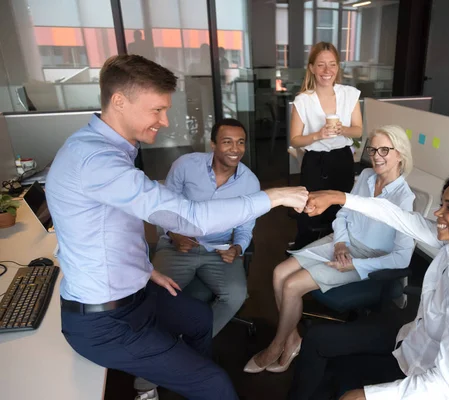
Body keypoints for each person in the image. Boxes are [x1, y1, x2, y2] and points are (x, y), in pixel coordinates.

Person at [45, 54, 308, 400]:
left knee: (199, 318)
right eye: (157, 110)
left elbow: (110, 230)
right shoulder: (97, 162)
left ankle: (186, 378)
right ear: (119, 101)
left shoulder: (107, 149)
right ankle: (195, 379)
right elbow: (190, 218)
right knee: (217, 385)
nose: (165, 121)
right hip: (105, 322)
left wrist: (143, 270)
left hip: (134, 291)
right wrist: (273, 196)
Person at [291, 167, 449, 400]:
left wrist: (367, 395)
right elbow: (394, 214)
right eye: (441, 204)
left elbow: (443, 385)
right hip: (409, 341)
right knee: (317, 341)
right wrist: (337, 197)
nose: (438, 213)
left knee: (336, 376)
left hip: (419, 375)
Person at [244, 126, 416, 374]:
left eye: (385, 150)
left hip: (366, 257)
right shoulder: (367, 176)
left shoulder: (404, 198)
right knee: (279, 272)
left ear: (400, 154)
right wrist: (340, 243)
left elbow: (401, 259)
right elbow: (344, 212)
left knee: (292, 285)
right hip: (341, 241)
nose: (377, 155)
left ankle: (276, 346)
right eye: (373, 149)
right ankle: (292, 341)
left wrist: (355, 264)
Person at [152, 118, 259, 337]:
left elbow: (245, 229)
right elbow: (164, 208)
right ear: (213, 145)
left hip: (218, 251)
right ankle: (158, 350)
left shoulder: (250, 183)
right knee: (155, 295)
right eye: (227, 142)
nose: (235, 149)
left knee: (236, 295)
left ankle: (194, 342)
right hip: (178, 246)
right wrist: (174, 234)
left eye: (240, 142)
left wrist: (237, 249)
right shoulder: (185, 166)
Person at [290, 42, 363, 250]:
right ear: (312, 68)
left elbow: (357, 130)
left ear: (338, 67)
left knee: (340, 209)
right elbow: (295, 139)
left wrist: (343, 130)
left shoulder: (350, 94)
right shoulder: (303, 100)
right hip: (315, 162)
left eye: (332, 64)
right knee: (310, 210)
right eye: (321, 65)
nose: (327, 71)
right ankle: (304, 253)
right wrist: (317, 135)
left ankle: (337, 252)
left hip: (342, 159)